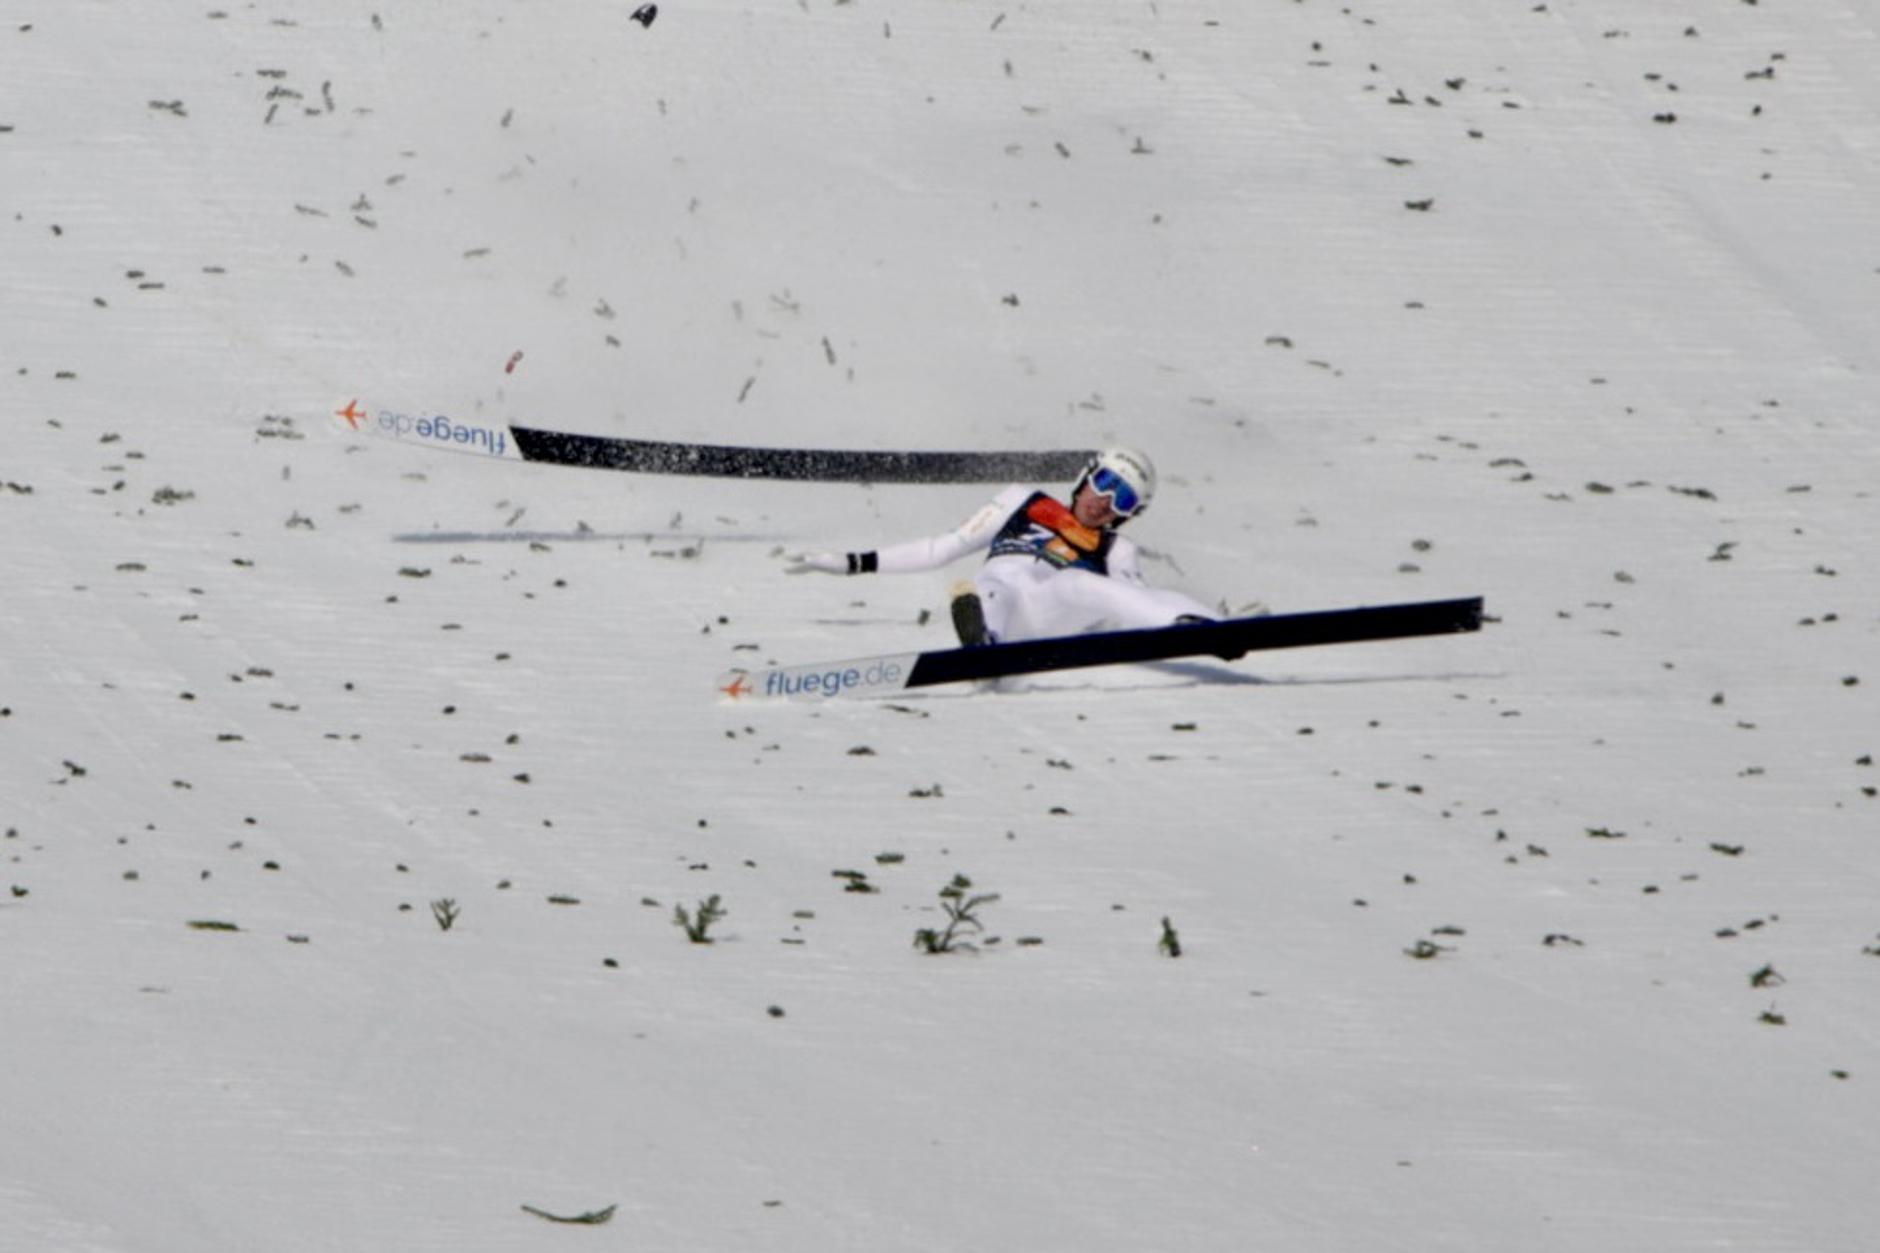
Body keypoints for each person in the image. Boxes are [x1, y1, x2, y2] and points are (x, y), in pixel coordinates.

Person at [786, 447, 1222, 647]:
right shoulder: (1021, 499)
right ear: (1085, 477)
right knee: (990, 584)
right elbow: (942, 548)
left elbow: (1130, 599)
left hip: (1054, 609)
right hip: (1005, 596)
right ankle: (982, 639)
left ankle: (1202, 625)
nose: (1103, 502)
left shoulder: (1115, 549)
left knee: (1078, 583)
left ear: (1129, 513)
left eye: (1121, 499)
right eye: (1104, 484)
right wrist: (850, 562)